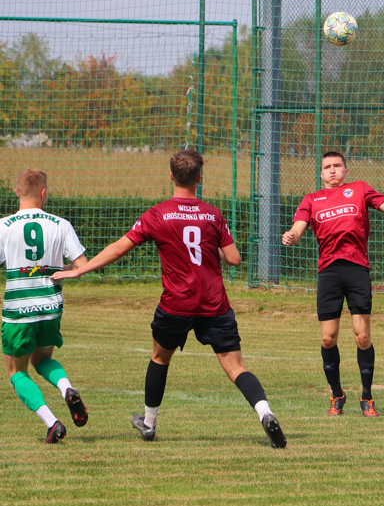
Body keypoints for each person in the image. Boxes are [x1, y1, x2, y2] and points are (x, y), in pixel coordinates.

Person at [52, 150, 287, 448]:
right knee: (236, 367)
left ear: (171, 177)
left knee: (160, 358)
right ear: (199, 178)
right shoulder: (213, 214)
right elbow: (235, 259)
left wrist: (80, 270)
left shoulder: (158, 214)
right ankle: (265, 412)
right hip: (214, 304)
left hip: (176, 304)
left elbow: (119, 248)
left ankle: (149, 423)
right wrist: (210, 246)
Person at [281, 151, 384, 417]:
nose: (333, 170)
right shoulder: (312, 199)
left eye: (337, 166)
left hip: (357, 270)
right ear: (322, 173)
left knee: (362, 336)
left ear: (346, 171)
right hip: (328, 273)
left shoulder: (359, 190)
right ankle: (337, 394)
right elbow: (299, 226)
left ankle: (367, 397)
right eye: (327, 167)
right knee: (328, 338)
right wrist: (292, 235)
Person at [1, 169, 89, 444]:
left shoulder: (4, 226)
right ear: (43, 193)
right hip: (50, 307)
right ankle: (67, 389)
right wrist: (55, 270)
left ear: (17, 192)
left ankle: (52, 423)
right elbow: (81, 266)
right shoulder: (61, 224)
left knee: (16, 371)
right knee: (42, 359)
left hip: (18, 309)